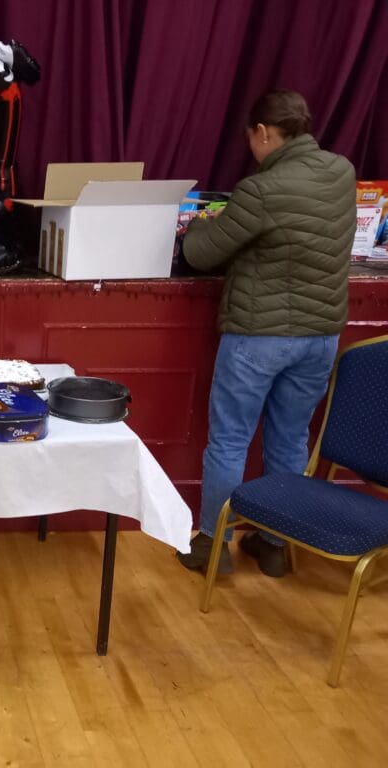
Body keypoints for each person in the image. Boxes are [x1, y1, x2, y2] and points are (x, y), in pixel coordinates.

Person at [176, 89, 357, 577]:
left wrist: (195, 227)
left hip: (259, 334)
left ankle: (213, 544)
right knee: (291, 439)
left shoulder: (260, 191)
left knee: (230, 441)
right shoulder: (342, 172)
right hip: (320, 336)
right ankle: (274, 545)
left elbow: (201, 253)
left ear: (262, 132)